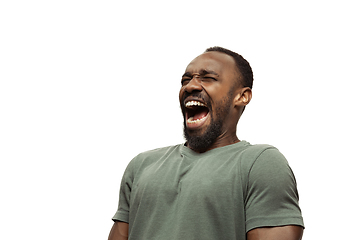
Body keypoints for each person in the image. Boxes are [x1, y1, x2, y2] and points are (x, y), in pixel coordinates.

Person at [108, 47, 304, 240]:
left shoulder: (260, 163)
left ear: (242, 96)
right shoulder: (141, 165)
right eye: (186, 80)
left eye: (208, 78)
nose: (190, 86)